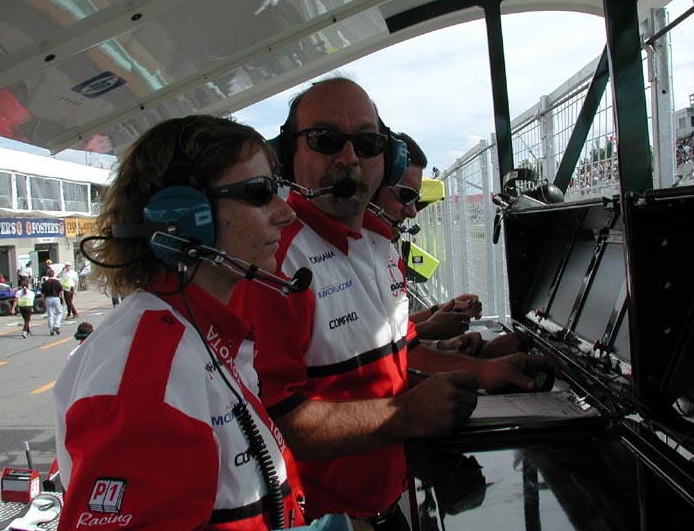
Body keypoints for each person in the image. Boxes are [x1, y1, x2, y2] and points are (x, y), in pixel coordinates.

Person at [231, 78, 557, 527]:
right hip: (329, 519)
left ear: (387, 160)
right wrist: (401, 416)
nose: (349, 159)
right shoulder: (276, 263)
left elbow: (401, 355)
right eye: (326, 141)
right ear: (289, 154)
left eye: (367, 144)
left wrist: (483, 372)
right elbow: (269, 425)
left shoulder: (379, 243)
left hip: (396, 497)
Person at [52, 115, 319, 530]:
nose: (285, 213)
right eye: (259, 193)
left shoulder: (198, 338)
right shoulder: (146, 376)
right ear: (182, 216)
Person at [373, 131, 529, 359]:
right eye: (405, 196)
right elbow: (360, 357)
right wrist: (481, 368)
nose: (412, 211)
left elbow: (395, 329)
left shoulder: (386, 250)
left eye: (416, 201)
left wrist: (443, 313)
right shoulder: (343, 258)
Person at [40, 268, 63, 336]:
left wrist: (43, 301)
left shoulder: (45, 283)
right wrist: (63, 300)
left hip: (48, 298)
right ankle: (56, 326)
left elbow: (42, 294)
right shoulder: (57, 282)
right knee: (59, 312)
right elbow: (61, 292)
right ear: (54, 274)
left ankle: (51, 330)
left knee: (50, 315)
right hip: (56, 298)